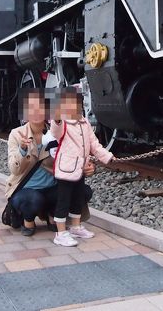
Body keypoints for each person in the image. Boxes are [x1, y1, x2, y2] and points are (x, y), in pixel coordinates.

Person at [5, 88, 95, 236]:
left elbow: (75, 155)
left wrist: (87, 167)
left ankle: (52, 213)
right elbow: (14, 170)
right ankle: (28, 219)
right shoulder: (17, 134)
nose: (36, 111)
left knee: (83, 191)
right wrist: (22, 150)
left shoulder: (58, 131)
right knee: (34, 199)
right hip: (26, 189)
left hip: (52, 187)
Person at [50, 87, 116, 247]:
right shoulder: (63, 122)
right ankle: (60, 233)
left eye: (77, 102)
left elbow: (94, 144)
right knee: (63, 200)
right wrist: (57, 118)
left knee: (77, 198)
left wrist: (107, 157)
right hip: (66, 169)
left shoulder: (84, 122)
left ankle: (75, 226)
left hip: (80, 169)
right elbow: (55, 132)